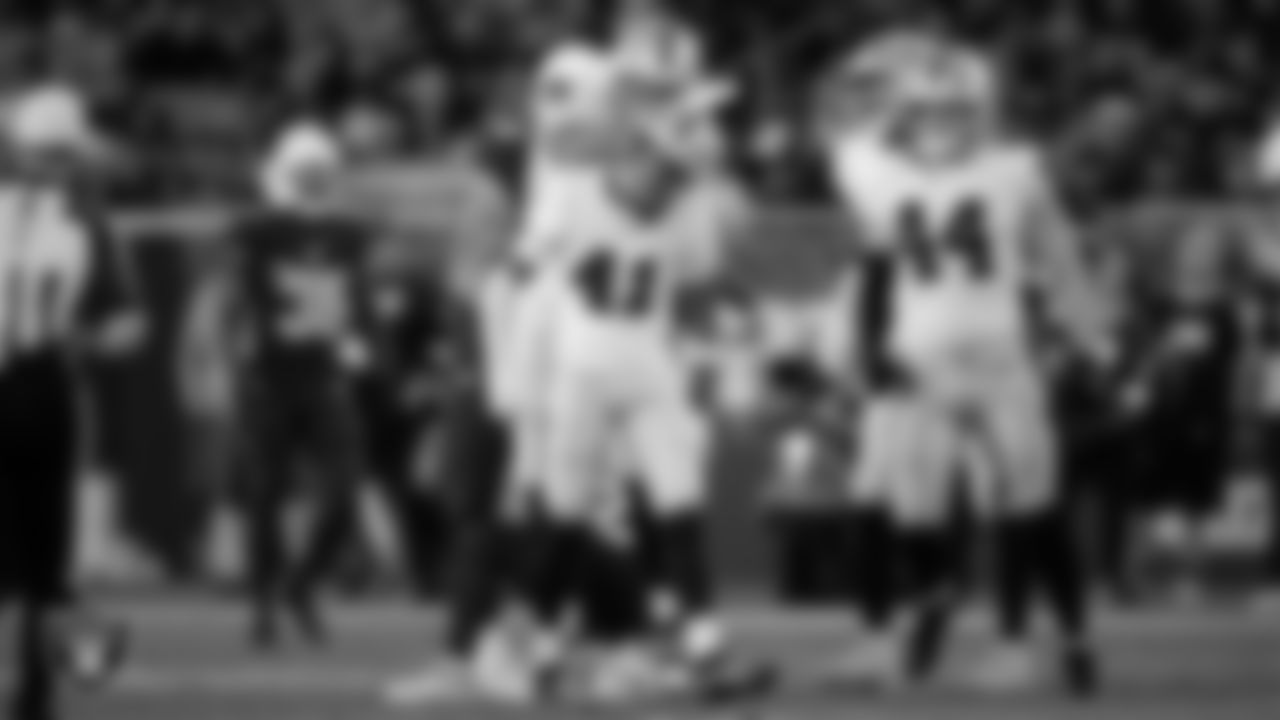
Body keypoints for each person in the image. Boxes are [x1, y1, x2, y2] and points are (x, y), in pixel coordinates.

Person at [829, 38, 1110, 695]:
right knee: (914, 514)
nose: (940, 124)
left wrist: (1087, 327)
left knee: (1032, 504)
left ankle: (1071, 640)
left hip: (996, 358)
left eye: (954, 111)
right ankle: (937, 601)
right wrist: (1087, 324)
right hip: (923, 363)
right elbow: (1060, 254)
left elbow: (1057, 252)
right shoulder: (982, 169)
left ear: (980, 112)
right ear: (908, 114)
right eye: (927, 111)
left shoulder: (1003, 171)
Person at [0, 81, 142, 720]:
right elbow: (128, 323)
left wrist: (86, 337)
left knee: (37, 559)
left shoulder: (86, 221)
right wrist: (88, 337)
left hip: (37, 384)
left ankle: (34, 689)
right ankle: (34, 692)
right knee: (40, 560)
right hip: (43, 386)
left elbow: (127, 322)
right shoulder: (88, 221)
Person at [234, 95, 374, 649]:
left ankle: (301, 584)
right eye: (305, 172)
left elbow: (355, 297)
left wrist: (360, 338)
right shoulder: (260, 229)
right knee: (265, 495)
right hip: (268, 377)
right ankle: (264, 602)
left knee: (343, 491)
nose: (316, 182)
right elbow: (247, 258)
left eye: (322, 172)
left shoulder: (348, 235)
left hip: (321, 376)